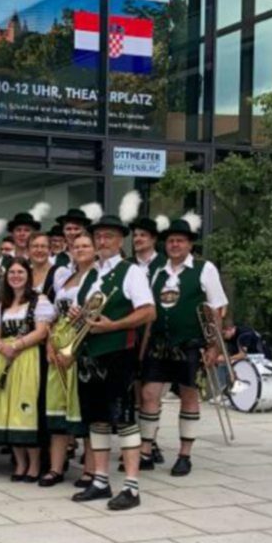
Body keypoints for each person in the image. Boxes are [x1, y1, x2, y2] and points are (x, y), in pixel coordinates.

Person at [70, 213, 155, 511]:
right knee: (97, 420)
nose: (102, 241)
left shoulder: (131, 272)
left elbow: (148, 312)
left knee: (123, 419)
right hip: (89, 355)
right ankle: (101, 481)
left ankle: (131, 487)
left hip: (118, 353)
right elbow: (89, 316)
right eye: (99, 236)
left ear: (121, 240)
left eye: (108, 236)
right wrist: (78, 318)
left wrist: (113, 326)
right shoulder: (91, 274)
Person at [138, 214, 226, 477]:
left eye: (180, 241)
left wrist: (214, 346)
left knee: (189, 396)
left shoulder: (204, 268)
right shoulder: (156, 271)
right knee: (149, 395)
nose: (175, 245)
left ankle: (184, 455)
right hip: (159, 343)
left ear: (189, 245)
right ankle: (145, 450)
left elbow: (217, 307)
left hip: (190, 343)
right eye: (171, 241)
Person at [0, 259, 53, 482]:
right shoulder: (4, 304)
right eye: (12, 272)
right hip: (5, 361)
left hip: (28, 359)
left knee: (26, 410)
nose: (15, 275)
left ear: (28, 274)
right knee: (7, 409)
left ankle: (34, 465)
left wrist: (16, 345)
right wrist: (1, 347)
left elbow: (42, 331)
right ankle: (20, 463)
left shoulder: (38, 301)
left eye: (20, 272)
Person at [45, 234, 97, 487]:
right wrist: (49, 344)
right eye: (76, 246)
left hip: (82, 347)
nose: (80, 250)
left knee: (84, 411)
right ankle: (56, 468)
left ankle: (90, 470)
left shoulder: (98, 278)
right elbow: (55, 316)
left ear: (95, 250)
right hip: (58, 346)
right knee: (58, 410)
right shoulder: (64, 277)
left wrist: (73, 349)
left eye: (86, 246)